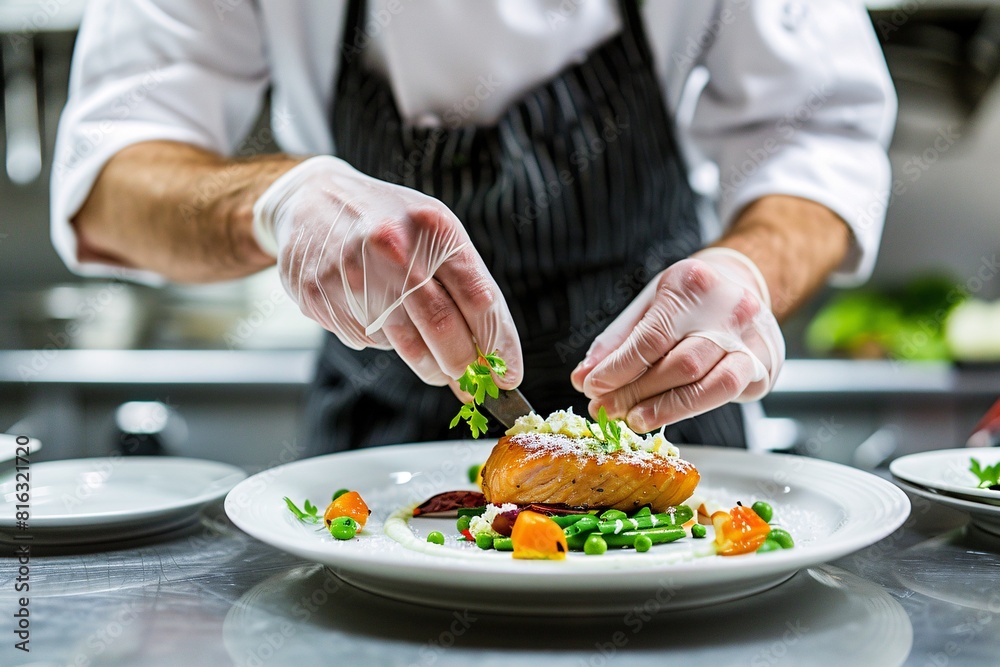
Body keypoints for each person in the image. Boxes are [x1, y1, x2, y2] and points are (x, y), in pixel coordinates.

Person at [51, 1, 896, 454]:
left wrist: (751, 272)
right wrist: (280, 201)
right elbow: (109, 178)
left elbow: (819, 129)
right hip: (378, 448)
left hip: (674, 427)